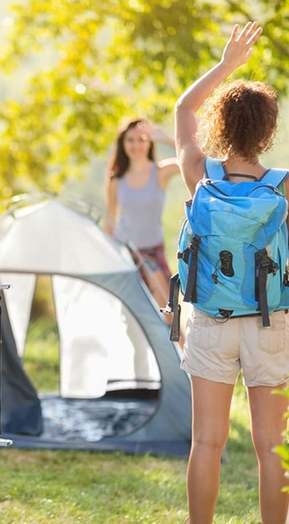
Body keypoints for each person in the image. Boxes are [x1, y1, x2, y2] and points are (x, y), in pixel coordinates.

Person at [175, 21, 289, 524]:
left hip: (210, 320)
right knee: (271, 449)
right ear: (268, 129)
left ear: (218, 125)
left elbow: (182, 110)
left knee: (206, 441)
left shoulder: (200, 175)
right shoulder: (283, 188)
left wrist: (226, 65)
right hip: (270, 322)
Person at [103, 118, 180, 308]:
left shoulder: (161, 172)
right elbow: (110, 220)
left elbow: (196, 161)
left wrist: (165, 138)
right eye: (130, 140)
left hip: (152, 252)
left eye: (141, 139)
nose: (135, 145)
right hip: (126, 253)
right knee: (132, 315)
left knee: (168, 314)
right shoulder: (116, 179)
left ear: (149, 143)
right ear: (122, 144)